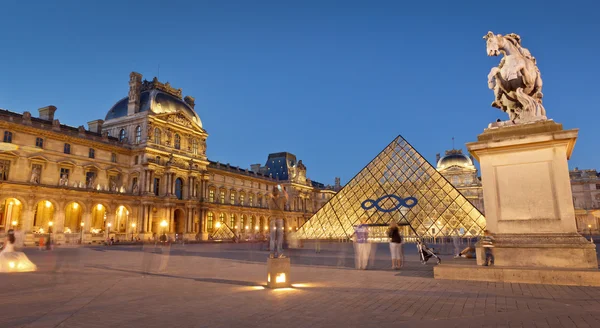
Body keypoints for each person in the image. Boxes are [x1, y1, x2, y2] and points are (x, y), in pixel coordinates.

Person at [268, 185, 288, 258]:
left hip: (272, 219)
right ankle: (279, 254)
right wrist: (282, 189)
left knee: (272, 238)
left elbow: (270, 194)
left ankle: (271, 254)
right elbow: (286, 196)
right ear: (278, 193)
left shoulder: (270, 200)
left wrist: (273, 190)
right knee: (280, 237)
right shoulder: (281, 199)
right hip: (279, 218)